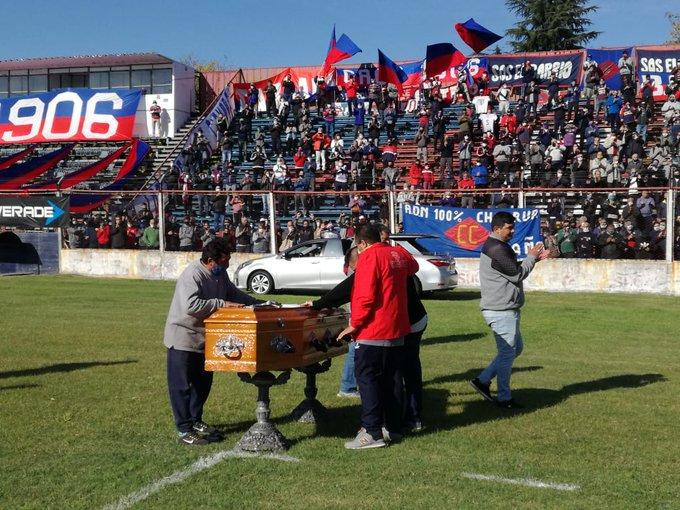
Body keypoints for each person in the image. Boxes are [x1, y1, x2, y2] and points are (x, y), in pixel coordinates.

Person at [164, 238, 263, 445]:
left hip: (206, 336)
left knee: (203, 382)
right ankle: (184, 429)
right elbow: (191, 305)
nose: (227, 265)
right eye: (224, 261)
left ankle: (196, 419)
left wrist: (256, 303)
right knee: (181, 385)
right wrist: (221, 304)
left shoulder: (221, 274)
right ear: (210, 261)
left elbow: (232, 293)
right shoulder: (192, 275)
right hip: (183, 336)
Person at [337, 225, 419, 449]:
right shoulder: (395, 253)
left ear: (361, 243)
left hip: (374, 329)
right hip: (397, 326)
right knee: (393, 380)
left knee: (368, 379)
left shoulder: (368, 258)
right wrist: (397, 249)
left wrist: (354, 324)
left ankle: (371, 431)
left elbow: (365, 295)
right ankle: (393, 428)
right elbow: (414, 265)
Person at [469, 212, 549, 408]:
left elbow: (511, 270)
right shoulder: (496, 248)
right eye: (509, 228)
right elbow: (516, 274)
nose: (513, 231)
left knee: (515, 349)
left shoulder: (496, 246)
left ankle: (482, 381)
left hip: (503, 307)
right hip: (500, 309)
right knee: (507, 353)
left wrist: (534, 259)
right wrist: (531, 257)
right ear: (497, 229)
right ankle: (504, 398)